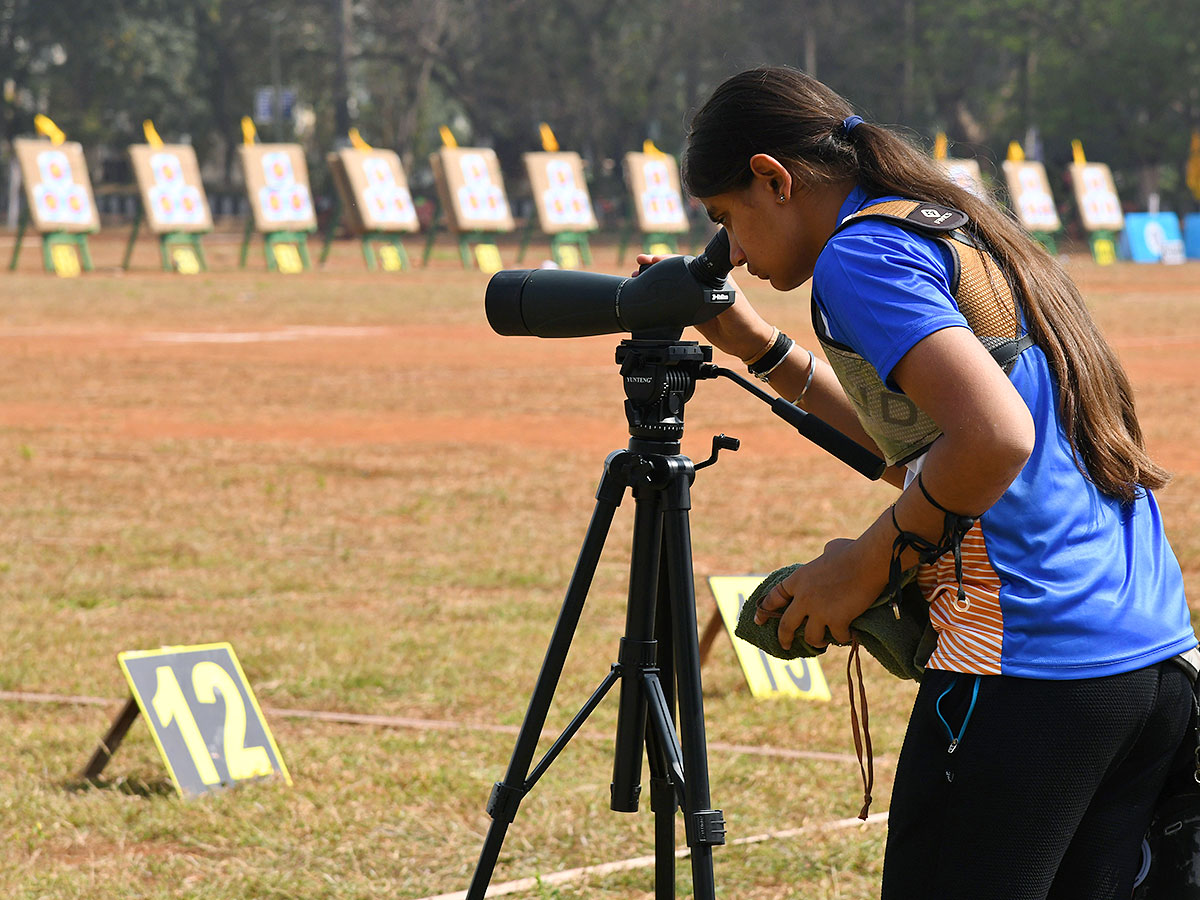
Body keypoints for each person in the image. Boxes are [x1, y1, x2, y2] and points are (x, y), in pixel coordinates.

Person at [647, 65, 1197, 900]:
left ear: (773, 177)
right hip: (1142, 669)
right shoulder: (948, 225)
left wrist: (865, 565)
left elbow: (992, 439)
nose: (733, 250)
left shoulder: (857, 256)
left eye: (727, 218)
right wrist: (759, 346)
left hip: (1028, 674)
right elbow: (934, 445)